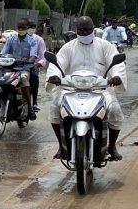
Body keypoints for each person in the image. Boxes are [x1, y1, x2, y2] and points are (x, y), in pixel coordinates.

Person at [46, 15, 125, 166]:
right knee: (55, 108)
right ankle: (62, 147)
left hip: (101, 88)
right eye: (81, 30)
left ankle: (112, 146)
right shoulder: (68, 47)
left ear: (93, 29)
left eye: (87, 30)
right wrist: (54, 76)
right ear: (76, 30)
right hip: (71, 88)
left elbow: (116, 64)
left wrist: (116, 76)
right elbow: (58, 63)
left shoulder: (105, 46)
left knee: (114, 109)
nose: (84, 33)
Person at [0, 19, 37, 122]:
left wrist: (27, 60)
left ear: (27, 28)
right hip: (8, 68)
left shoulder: (32, 41)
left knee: (24, 79)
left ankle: (30, 108)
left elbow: (33, 57)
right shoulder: (11, 39)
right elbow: (3, 53)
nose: (20, 29)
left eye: (23, 28)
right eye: (19, 27)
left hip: (23, 68)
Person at [26, 18, 47, 111]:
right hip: (17, 66)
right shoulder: (15, 38)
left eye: (33, 27)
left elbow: (43, 57)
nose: (32, 28)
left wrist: (37, 64)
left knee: (34, 78)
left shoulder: (39, 40)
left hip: (32, 66)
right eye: (29, 26)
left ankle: (34, 103)